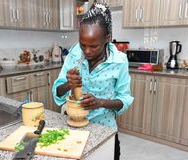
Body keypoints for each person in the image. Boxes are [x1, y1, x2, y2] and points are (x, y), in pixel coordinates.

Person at [52, 3, 134, 160]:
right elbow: (57, 92)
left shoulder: (119, 61)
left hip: (104, 129)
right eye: (83, 44)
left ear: (107, 39)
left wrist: (100, 102)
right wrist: (70, 84)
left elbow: (124, 100)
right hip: (73, 127)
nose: (87, 51)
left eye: (94, 46)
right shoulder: (74, 54)